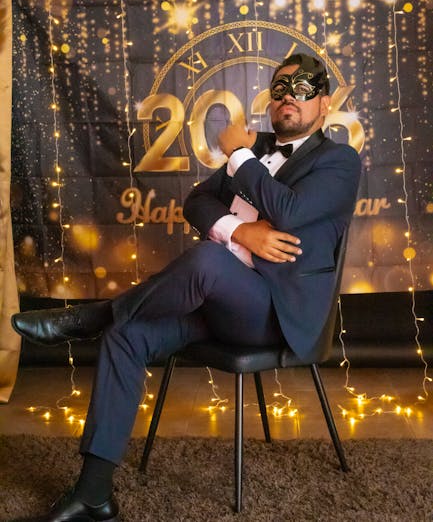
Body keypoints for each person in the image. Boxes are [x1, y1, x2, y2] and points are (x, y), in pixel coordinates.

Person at [11, 53, 361, 522]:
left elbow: (291, 211)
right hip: (214, 303)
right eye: (280, 88)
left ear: (323, 102)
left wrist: (238, 155)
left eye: (302, 89)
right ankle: (93, 494)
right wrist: (240, 231)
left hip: (274, 315)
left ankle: (92, 315)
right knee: (126, 334)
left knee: (207, 259)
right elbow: (196, 201)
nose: (288, 98)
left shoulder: (338, 160)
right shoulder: (257, 147)